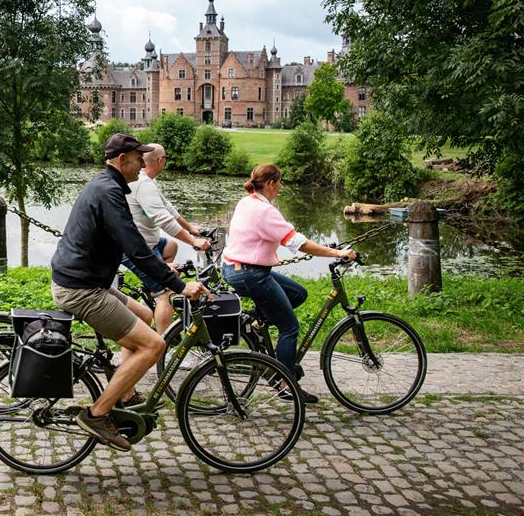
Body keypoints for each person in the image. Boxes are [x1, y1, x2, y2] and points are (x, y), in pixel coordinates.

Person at [52, 133, 210, 451]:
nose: (142, 164)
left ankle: (125, 392)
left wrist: (165, 271)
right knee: (154, 345)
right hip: (81, 289)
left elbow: (131, 246)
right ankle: (98, 414)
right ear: (122, 160)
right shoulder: (109, 192)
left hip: (87, 281)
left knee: (144, 313)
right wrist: (179, 286)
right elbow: (136, 249)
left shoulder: (108, 186)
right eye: (138, 158)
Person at [222, 163, 357, 404]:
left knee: (298, 294)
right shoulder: (265, 211)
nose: (281, 188)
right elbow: (298, 243)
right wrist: (337, 253)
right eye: (279, 183)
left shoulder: (247, 202)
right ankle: (286, 384)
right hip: (251, 274)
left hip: (238, 269)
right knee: (290, 327)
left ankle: (257, 323)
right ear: (271, 184)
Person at [121, 143, 211, 332]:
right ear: (160, 161)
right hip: (137, 247)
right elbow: (163, 219)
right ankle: (162, 341)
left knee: (170, 246)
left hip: (149, 242)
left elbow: (168, 208)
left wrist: (190, 228)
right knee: (167, 291)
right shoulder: (143, 185)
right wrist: (193, 241)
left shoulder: (147, 181)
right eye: (166, 158)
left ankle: (154, 289)